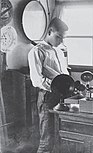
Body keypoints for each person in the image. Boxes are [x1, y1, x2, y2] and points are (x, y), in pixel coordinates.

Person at [28, 17, 69, 153]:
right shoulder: (36, 51)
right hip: (47, 96)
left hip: (61, 95)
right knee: (47, 139)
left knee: (59, 136)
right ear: (50, 31)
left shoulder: (58, 51)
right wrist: (56, 85)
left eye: (63, 38)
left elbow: (63, 73)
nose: (61, 41)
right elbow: (37, 80)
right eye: (59, 37)